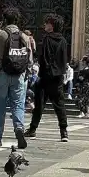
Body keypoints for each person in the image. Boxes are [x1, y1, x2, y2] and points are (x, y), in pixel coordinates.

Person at [0, 6, 31, 148]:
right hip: (18, 75)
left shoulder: (0, 34)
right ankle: (19, 128)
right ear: (17, 20)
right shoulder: (25, 37)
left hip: (2, 73)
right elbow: (29, 58)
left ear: (4, 19)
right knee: (18, 105)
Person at [25, 13, 70, 142]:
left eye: (47, 23)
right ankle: (64, 132)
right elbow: (64, 59)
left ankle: (33, 129)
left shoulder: (47, 39)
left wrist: (43, 73)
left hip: (46, 76)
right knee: (59, 105)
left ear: (52, 25)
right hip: (58, 77)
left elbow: (43, 58)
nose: (45, 25)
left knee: (39, 104)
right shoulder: (63, 40)